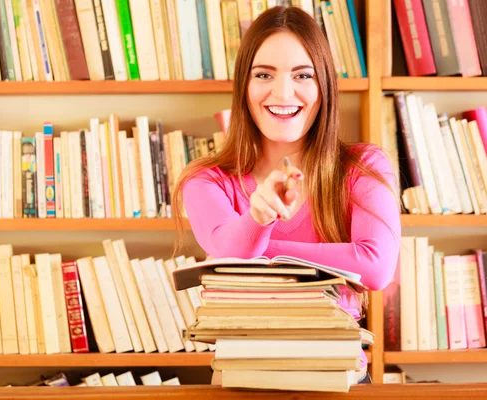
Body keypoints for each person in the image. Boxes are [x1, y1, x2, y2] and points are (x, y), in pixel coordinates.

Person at [172, 6, 401, 385]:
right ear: (243, 86)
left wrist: (265, 250)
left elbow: (375, 267)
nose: (282, 92)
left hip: (338, 378)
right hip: (243, 380)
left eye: (302, 75)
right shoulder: (206, 180)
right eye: (264, 74)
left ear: (323, 85)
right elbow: (228, 253)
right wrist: (257, 217)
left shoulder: (362, 166)